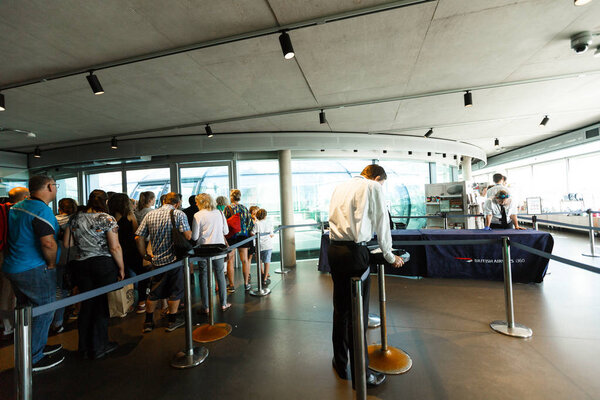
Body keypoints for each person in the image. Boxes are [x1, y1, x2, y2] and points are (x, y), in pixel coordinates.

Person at [328, 164, 404, 389]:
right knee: (357, 316)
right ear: (378, 177)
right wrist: (389, 256)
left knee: (340, 310)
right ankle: (362, 375)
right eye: (383, 183)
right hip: (355, 253)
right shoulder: (373, 187)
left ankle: (340, 364)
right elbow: (382, 222)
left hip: (334, 250)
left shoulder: (340, 186)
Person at [2, 176, 64, 371]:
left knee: (26, 311)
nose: (56, 188)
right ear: (48, 186)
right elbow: (48, 242)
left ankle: (31, 349)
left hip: (14, 266)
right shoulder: (40, 210)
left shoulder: (17, 207)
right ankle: (34, 358)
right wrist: (52, 264)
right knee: (45, 309)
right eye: (55, 185)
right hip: (33, 268)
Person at [64, 190, 125, 359]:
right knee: (101, 305)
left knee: (86, 305)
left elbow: (67, 243)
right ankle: (99, 346)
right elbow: (115, 247)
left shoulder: (75, 218)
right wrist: (121, 268)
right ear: (105, 201)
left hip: (81, 264)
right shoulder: (107, 218)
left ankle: (83, 347)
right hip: (102, 264)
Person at [135, 192, 191, 333]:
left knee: (154, 291)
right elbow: (188, 235)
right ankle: (172, 321)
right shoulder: (178, 214)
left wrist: (145, 255)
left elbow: (138, 237)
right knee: (175, 291)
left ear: (163, 201)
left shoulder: (150, 214)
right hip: (174, 260)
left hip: (157, 260)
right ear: (177, 203)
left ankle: (148, 322)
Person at [108, 193, 147, 314]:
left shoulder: (109, 217)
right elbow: (136, 234)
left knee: (121, 277)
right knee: (142, 274)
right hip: (131, 251)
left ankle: (123, 303)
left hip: (115, 251)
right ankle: (141, 302)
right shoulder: (130, 215)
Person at [191, 193, 230, 313]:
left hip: (204, 251)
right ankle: (223, 303)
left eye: (197, 202)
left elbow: (195, 236)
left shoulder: (197, 215)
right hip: (218, 249)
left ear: (201, 203)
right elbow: (226, 231)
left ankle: (206, 306)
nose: (196, 204)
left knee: (203, 277)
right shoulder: (219, 213)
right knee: (220, 275)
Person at [0, 187, 30, 339]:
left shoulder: (2, 209)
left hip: (3, 251)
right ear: (25, 197)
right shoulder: (18, 212)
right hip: (9, 254)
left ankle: (5, 325)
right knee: (9, 291)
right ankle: (8, 326)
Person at [51, 197, 78, 334]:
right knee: (70, 288)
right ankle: (70, 312)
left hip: (54, 259)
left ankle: (57, 321)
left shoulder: (52, 220)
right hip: (74, 258)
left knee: (57, 291)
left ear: (60, 207)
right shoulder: (76, 220)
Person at [224, 189, 254, 292]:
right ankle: (246, 283)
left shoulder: (227, 208)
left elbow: (224, 223)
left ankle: (231, 285)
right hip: (243, 236)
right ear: (239, 197)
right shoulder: (244, 208)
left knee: (230, 261)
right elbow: (250, 223)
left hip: (231, 237)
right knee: (245, 260)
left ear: (231, 197)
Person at [253, 208, 273, 287]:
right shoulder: (269, 223)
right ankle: (265, 278)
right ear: (265, 216)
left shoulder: (256, 223)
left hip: (259, 245)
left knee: (259, 260)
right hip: (267, 245)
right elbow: (271, 235)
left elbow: (252, 233)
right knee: (267, 261)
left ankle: (261, 273)